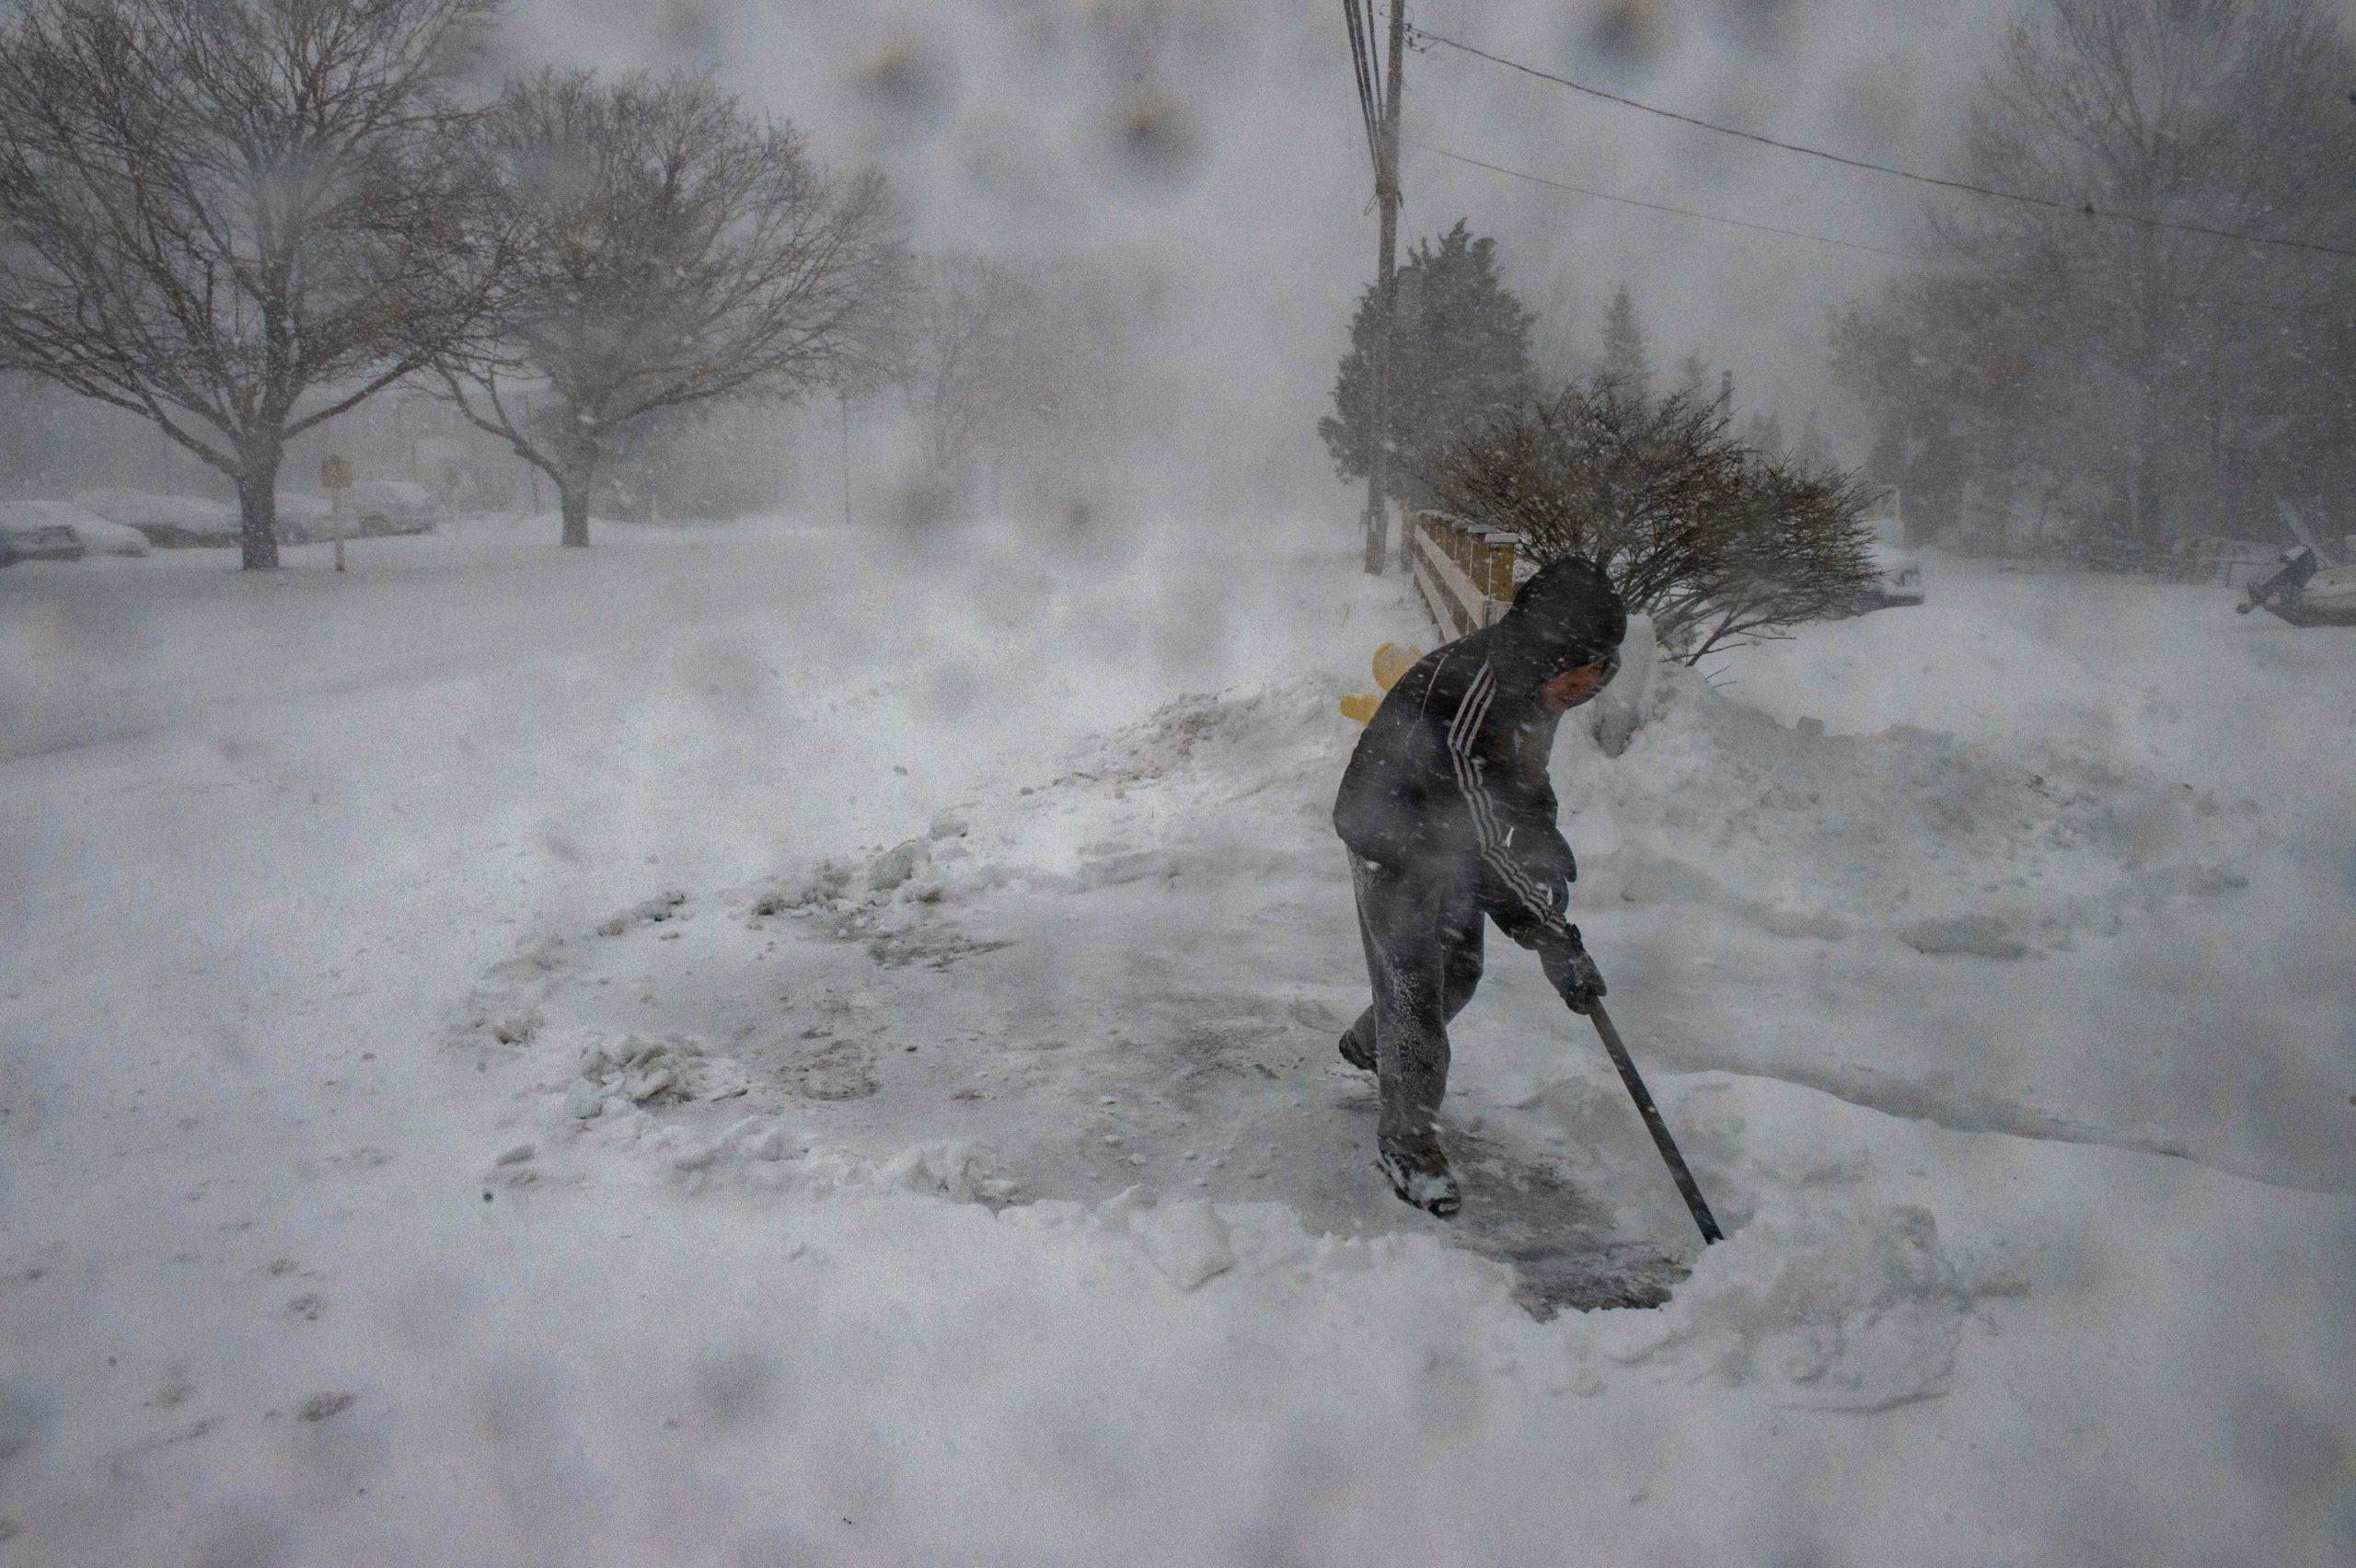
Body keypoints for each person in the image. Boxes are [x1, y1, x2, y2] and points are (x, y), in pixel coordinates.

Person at [1331, 556, 1627, 1216]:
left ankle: (1366, 1045)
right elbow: (1485, 840)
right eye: (1575, 672)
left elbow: (1519, 776)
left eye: (1599, 673)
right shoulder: (1469, 695)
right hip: (1390, 835)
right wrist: (1554, 940)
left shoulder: (1534, 685)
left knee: (1458, 973)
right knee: (1415, 991)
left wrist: (1543, 841)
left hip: (1447, 836)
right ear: (1540, 653)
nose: (1585, 686)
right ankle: (1406, 1141)